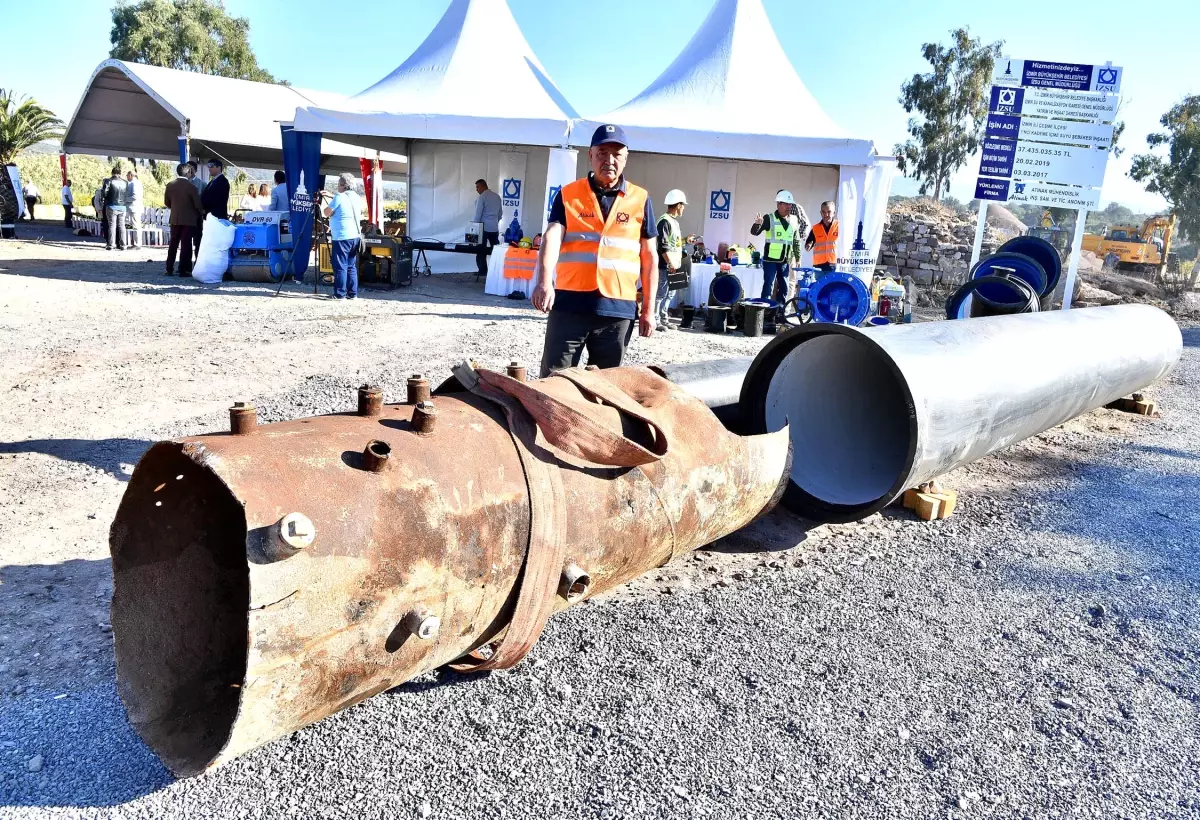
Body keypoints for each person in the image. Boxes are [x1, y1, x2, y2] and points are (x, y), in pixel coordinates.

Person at [531, 124, 656, 376]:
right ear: (590, 155)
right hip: (569, 305)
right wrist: (544, 282)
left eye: (616, 154)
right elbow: (552, 236)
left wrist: (649, 311)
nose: (609, 160)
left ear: (626, 157)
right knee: (554, 381)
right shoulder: (568, 195)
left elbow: (649, 257)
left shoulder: (640, 199)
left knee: (607, 385)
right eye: (602, 153)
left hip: (617, 309)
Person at [750, 190, 806, 300]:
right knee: (768, 285)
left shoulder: (794, 220)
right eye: (786, 204)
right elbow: (754, 232)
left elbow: (796, 241)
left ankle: (780, 311)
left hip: (785, 260)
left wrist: (798, 258)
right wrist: (757, 224)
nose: (789, 206)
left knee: (784, 286)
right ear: (778, 204)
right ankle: (764, 311)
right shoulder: (769, 218)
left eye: (790, 204)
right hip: (770, 259)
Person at [656, 189, 695, 332]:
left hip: (673, 264)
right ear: (678, 205)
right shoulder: (664, 222)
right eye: (683, 205)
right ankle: (656, 320)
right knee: (661, 292)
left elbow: (674, 244)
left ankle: (664, 319)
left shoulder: (673, 222)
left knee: (670, 293)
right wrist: (670, 263)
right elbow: (663, 246)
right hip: (666, 264)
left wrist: (686, 240)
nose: (683, 208)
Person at [320, 173, 363, 300]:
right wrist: (331, 196)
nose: (337, 187)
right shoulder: (355, 196)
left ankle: (339, 294)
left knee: (340, 266)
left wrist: (331, 200)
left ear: (343, 185)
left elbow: (327, 212)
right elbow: (345, 200)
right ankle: (352, 293)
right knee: (351, 266)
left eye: (338, 184)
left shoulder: (339, 197)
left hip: (341, 236)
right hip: (355, 235)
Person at [163, 163, 203, 277]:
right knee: (186, 245)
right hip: (189, 220)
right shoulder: (191, 187)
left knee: (173, 244)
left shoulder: (170, 185)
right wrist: (201, 213)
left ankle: (169, 268)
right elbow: (197, 205)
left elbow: (167, 202)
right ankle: (183, 269)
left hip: (175, 218)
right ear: (188, 172)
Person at [472, 179, 502, 278]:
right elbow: (500, 213)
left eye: (477, 187)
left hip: (483, 228)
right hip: (494, 227)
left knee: (481, 250)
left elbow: (478, 214)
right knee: (495, 250)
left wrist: (475, 228)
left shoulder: (482, 197)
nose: (477, 189)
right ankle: (497, 270)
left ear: (483, 186)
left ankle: (483, 271)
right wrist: (495, 222)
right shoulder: (497, 197)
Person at [805, 200, 838, 272]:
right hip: (818, 266)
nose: (826, 214)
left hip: (834, 265)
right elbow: (809, 243)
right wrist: (809, 245)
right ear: (820, 213)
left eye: (829, 212)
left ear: (834, 213)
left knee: (833, 283)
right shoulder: (815, 228)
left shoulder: (839, 226)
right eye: (823, 212)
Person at [103, 167, 128, 250]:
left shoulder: (108, 181)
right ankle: (123, 244)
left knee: (112, 225)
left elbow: (104, 192)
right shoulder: (125, 182)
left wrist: (106, 198)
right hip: (123, 206)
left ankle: (111, 244)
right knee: (122, 226)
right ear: (120, 173)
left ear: (112, 173)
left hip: (111, 205)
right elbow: (126, 193)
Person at [186, 161, 206, 260]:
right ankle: (186, 266)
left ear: (195, 170)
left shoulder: (202, 184)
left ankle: (198, 262)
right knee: (186, 242)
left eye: (191, 169)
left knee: (198, 241)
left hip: (197, 217)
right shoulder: (182, 183)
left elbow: (206, 200)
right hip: (185, 218)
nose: (189, 171)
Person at [125, 169, 144, 247]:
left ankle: (137, 244)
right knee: (135, 226)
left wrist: (125, 199)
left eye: (127, 175)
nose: (126, 177)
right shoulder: (135, 183)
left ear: (130, 175)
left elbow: (135, 196)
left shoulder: (134, 183)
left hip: (134, 207)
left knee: (136, 226)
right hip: (134, 207)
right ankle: (136, 243)